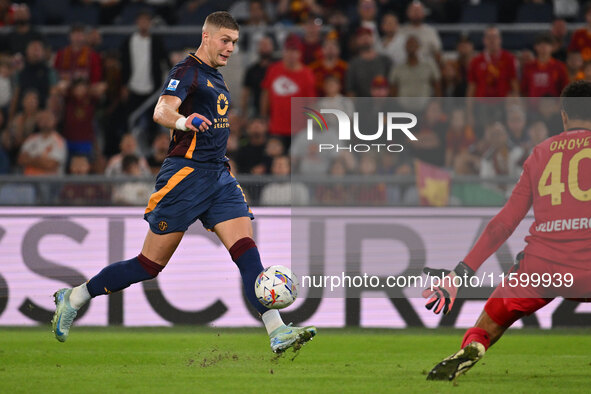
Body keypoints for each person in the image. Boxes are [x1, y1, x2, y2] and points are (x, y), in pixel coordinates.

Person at [51, 11, 316, 354]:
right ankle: (74, 296)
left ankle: (277, 331)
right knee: (148, 266)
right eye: (225, 40)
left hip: (219, 176)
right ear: (206, 37)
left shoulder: (216, 77)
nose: (230, 48)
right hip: (185, 176)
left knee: (248, 256)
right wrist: (183, 121)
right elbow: (161, 111)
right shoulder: (186, 71)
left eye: (234, 42)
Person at [423, 80, 591, 381]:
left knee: (489, 323)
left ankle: (474, 346)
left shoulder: (540, 153)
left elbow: (504, 223)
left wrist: (460, 273)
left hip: (543, 268)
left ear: (564, 116)